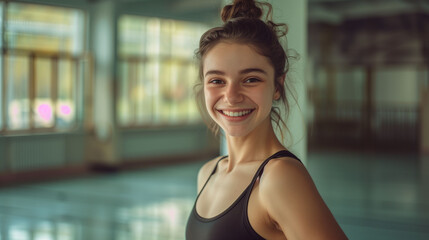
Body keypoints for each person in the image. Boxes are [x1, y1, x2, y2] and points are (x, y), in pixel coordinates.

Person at [186, 0, 348, 239]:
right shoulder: (208, 172)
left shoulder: (279, 177)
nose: (231, 97)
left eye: (251, 79)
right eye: (217, 80)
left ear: (277, 87)